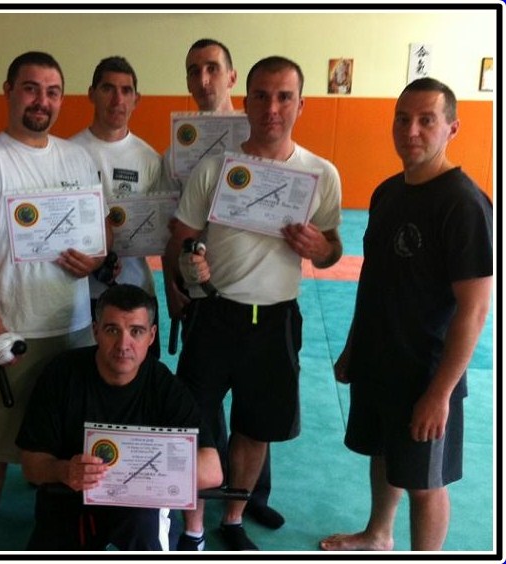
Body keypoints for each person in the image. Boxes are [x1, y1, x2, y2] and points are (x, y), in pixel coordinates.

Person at [165, 55, 343, 550]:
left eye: (285, 97)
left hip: (276, 318)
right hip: (214, 313)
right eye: (262, 96)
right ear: (246, 102)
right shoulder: (215, 169)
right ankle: (194, 525)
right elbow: (182, 239)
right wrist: (190, 269)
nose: (272, 108)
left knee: (255, 427)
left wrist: (319, 248)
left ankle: (234, 517)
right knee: (194, 420)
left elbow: (334, 248)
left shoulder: (321, 173)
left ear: (301, 105)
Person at [319, 78, 493, 551]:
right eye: (402, 119)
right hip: (380, 359)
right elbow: (374, 280)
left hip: (426, 370)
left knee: (424, 481)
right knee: (382, 451)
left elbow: (475, 308)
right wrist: (354, 348)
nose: (411, 130)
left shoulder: (464, 203)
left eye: (426, 120)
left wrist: (440, 393)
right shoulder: (387, 193)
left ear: (452, 128)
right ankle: (378, 534)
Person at [0, 51, 111, 551]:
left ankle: (70, 530)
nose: (42, 101)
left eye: (52, 92)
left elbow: (98, 233)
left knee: (71, 435)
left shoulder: (77, 158)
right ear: (8, 91)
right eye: (31, 88)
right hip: (15, 330)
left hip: (75, 326)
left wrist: (95, 257)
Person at [161, 39, 286, 545]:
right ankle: (208, 493)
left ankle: (251, 496)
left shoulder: (261, 131)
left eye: (213, 68)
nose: (204, 79)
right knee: (203, 403)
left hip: (255, 286)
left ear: (233, 78)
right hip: (202, 288)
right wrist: (173, 285)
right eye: (194, 70)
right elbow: (172, 225)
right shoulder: (178, 147)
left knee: (257, 409)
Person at [15, 284, 223, 550]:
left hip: (139, 508)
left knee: (142, 522)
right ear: (95, 331)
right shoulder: (61, 375)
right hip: (71, 499)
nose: (124, 345)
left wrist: (136, 476)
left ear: (152, 336)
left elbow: (211, 472)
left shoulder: (164, 387)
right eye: (112, 330)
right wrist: (64, 470)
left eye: (136, 331)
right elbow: (32, 465)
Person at [71, 56, 163, 358]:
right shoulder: (68, 154)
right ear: (91, 94)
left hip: (137, 294)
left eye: (126, 90)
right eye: (108, 88)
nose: (117, 99)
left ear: (137, 99)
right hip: (83, 297)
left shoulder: (150, 159)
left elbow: (161, 232)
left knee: (140, 381)